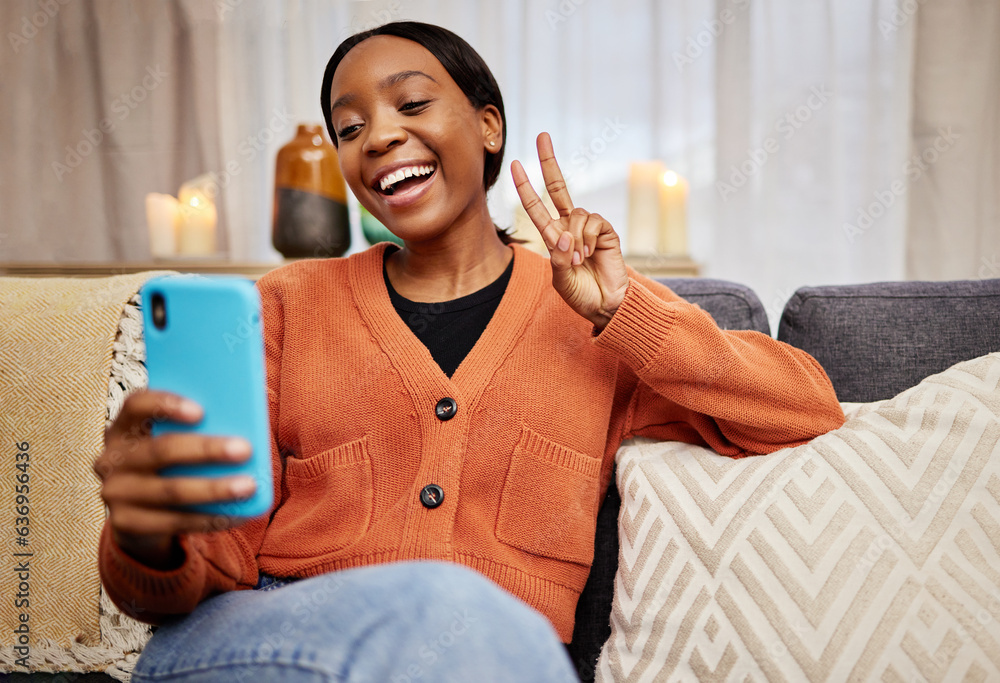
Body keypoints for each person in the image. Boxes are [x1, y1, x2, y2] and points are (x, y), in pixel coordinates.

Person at [94, 20, 846, 683]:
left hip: (494, 658)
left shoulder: (597, 323)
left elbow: (804, 405)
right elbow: (200, 574)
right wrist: (143, 536)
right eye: (349, 129)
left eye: (411, 104)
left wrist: (626, 312)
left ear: (489, 126)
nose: (378, 137)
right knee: (450, 604)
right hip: (267, 640)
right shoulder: (287, 303)